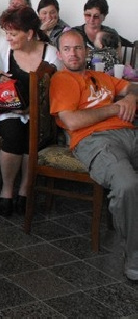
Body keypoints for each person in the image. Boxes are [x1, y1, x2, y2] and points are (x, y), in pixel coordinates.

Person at [50, 29, 137, 281]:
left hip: (129, 133)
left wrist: (131, 98)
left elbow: (132, 86)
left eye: (78, 48)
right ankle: (134, 258)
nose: (73, 54)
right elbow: (72, 121)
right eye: (67, 49)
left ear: (87, 51)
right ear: (59, 54)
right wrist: (115, 108)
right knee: (127, 185)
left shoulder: (101, 76)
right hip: (94, 140)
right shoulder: (62, 80)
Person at [0, 6, 60, 216]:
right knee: (13, 135)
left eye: (13, 34)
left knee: (31, 138)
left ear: (30, 34)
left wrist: (32, 108)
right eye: (7, 32)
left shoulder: (50, 53)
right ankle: (7, 189)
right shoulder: (2, 46)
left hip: (39, 114)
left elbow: (58, 90)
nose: (8, 38)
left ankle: (25, 189)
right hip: (9, 110)